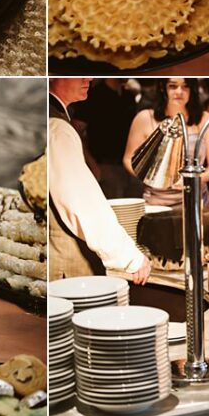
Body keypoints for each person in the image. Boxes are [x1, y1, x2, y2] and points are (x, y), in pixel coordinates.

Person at [48, 78, 151, 284]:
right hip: (65, 265)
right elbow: (81, 202)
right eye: (79, 74)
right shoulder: (58, 127)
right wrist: (130, 258)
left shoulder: (57, 119)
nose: (90, 78)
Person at [122, 79, 209, 207]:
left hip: (196, 199)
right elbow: (129, 158)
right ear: (163, 88)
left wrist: (194, 179)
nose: (179, 92)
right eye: (173, 86)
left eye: (185, 86)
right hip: (156, 202)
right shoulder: (145, 118)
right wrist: (154, 178)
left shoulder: (204, 118)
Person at [71, 79, 142, 199]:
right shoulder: (93, 96)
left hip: (130, 166)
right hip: (104, 165)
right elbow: (74, 131)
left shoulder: (128, 96)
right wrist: (91, 163)